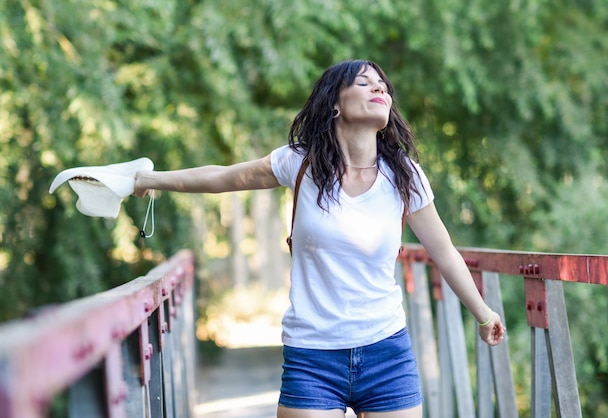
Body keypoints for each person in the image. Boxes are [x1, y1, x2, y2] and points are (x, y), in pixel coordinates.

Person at [134, 59, 506, 418]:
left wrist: (483, 314)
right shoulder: (301, 163)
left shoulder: (405, 176)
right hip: (312, 355)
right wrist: (147, 180)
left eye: (383, 85)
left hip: (387, 351)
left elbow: (444, 252)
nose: (379, 87)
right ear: (334, 103)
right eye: (363, 82)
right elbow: (221, 178)